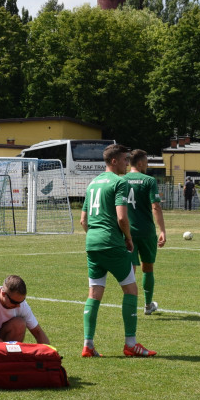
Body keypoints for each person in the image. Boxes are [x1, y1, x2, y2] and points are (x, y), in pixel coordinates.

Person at [80, 143, 155, 358]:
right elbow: (122, 217)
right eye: (124, 159)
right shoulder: (119, 182)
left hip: (92, 244)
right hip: (113, 243)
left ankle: (88, 345)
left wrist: (94, 237)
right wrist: (128, 239)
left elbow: (83, 220)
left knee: (94, 294)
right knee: (131, 291)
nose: (126, 163)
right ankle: (130, 344)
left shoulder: (92, 183)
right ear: (114, 161)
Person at [125, 149, 167, 314]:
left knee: (131, 269)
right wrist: (162, 230)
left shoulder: (121, 180)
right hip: (146, 231)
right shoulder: (149, 181)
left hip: (127, 231)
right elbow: (155, 206)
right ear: (141, 163)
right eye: (147, 162)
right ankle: (148, 305)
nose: (147, 165)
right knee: (147, 267)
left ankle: (130, 307)